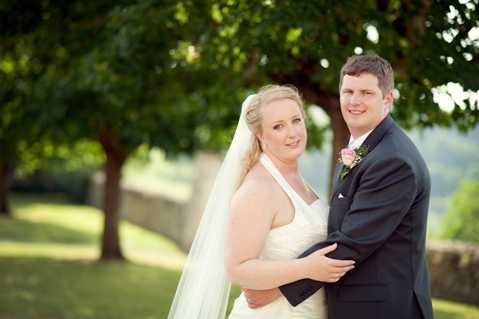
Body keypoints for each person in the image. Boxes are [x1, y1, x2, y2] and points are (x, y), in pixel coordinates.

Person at [245, 55, 434, 319]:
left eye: (366, 93)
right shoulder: (367, 148)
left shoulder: (393, 161)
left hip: (380, 309)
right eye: (348, 91)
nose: (354, 101)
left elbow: (352, 242)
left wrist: (277, 288)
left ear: (387, 100)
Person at [167, 85, 355, 319]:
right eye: (278, 126)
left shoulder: (295, 178)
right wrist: (307, 268)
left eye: (296, 120)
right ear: (260, 136)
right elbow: (238, 268)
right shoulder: (259, 188)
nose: (292, 132)